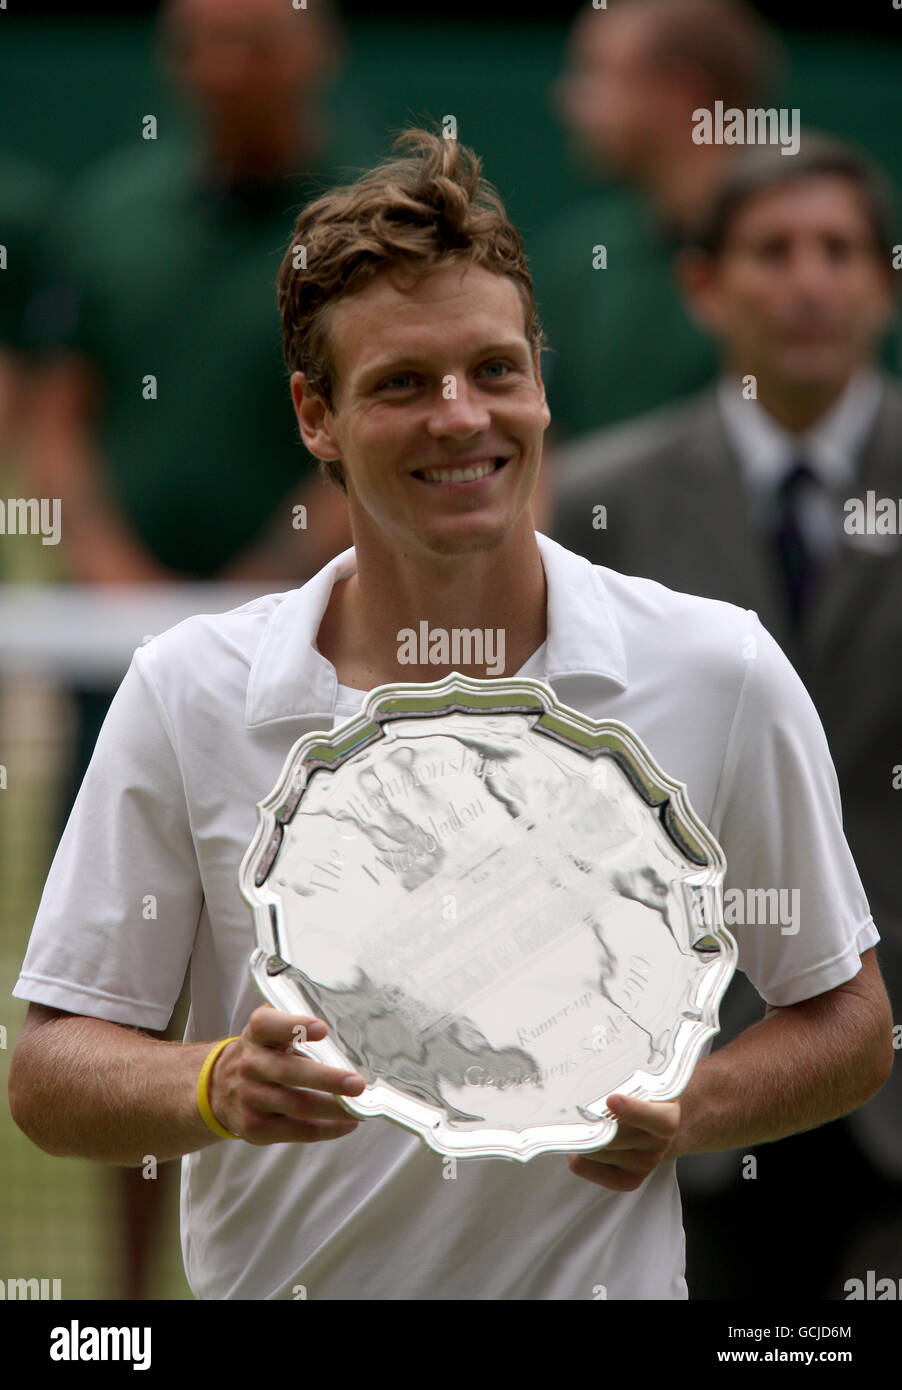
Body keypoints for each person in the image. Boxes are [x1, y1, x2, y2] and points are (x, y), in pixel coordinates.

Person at [8, 127, 892, 1302]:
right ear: (314, 418)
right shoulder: (188, 689)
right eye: (400, 384)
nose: (460, 417)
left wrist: (694, 1107)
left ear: (538, 378)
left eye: (493, 370)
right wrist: (213, 1085)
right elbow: (52, 1073)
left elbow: (847, 1020)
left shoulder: (714, 666)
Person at [552, 133, 902, 1297]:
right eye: (770, 251)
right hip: (681, 1079)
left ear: (880, 280)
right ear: (702, 285)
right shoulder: (598, 502)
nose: (806, 281)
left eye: (837, 250)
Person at [530, 0, 783, 442]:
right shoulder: (577, 253)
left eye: (594, 74)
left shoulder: (814, 251)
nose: (567, 100)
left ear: (676, 92)